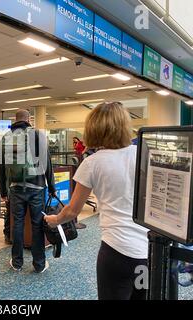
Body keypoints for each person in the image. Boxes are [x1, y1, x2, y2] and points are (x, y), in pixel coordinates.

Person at [45, 102, 149, 300]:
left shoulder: (92, 163)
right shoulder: (142, 155)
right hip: (146, 252)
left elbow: (72, 211)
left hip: (116, 252)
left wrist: (55, 220)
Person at [0, 109, 56, 273]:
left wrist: (3, 191)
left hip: (15, 188)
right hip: (37, 187)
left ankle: (17, 263)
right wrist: (52, 187)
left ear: (14, 120)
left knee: (17, 224)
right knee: (37, 224)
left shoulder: (6, 138)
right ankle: (39, 264)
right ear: (29, 119)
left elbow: (2, 168)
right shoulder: (37, 135)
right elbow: (47, 163)